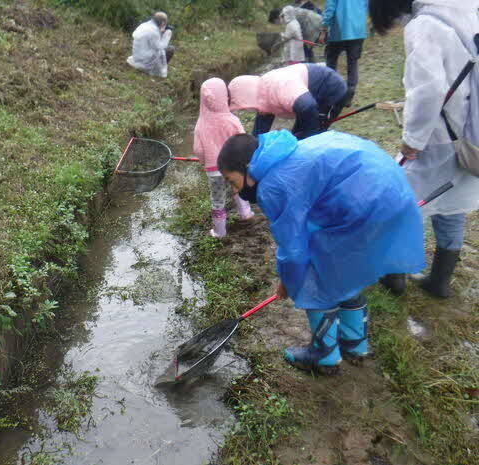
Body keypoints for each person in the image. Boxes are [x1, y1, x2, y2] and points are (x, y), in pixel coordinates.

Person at [216, 130, 425, 373]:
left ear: (247, 168)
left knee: (313, 277)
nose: (234, 191)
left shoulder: (272, 185)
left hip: (367, 207)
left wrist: (289, 281)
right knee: (346, 272)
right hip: (392, 192)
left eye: (233, 181)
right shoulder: (282, 153)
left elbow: (293, 250)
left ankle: (324, 355)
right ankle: (354, 344)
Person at [370, 0, 479, 298]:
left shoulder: (426, 24)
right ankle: (439, 281)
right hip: (473, 137)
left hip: (440, 137)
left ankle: (394, 277)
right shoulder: (469, 11)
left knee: (401, 205)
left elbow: (428, 90)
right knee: (453, 204)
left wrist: (412, 140)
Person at [193, 78, 254, 238]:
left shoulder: (201, 124)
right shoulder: (232, 120)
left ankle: (219, 231)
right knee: (238, 188)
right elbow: (241, 141)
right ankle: (246, 213)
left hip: (214, 171)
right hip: (235, 167)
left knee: (217, 200)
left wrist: (203, 161)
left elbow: (198, 149)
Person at [228, 63, 347, 140]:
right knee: (297, 136)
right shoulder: (263, 96)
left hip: (328, 91)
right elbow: (259, 132)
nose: (251, 109)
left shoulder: (280, 88)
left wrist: (305, 138)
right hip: (307, 101)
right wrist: (253, 149)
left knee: (312, 137)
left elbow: (308, 107)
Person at [317, 0, 368, 106]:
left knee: (331, 62)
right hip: (358, 30)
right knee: (352, 63)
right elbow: (367, 6)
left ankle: (332, 92)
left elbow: (330, 9)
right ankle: (350, 91)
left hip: (338, 31)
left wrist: (324, 29)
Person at [126, 12, 174, 78]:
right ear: (163, 23)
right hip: (146, 63)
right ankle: (158, 71)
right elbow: (161, 47)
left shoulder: (144, 25)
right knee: (171, 49)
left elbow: (151, 43)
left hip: (137, 58)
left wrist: (161, 31)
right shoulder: (154, 31)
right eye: (165, 24)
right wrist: (168, 34)